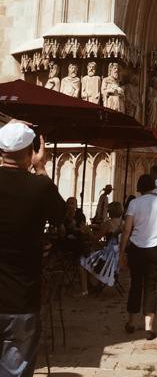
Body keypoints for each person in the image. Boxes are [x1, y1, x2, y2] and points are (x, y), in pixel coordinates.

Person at [0, 120, 66, 376]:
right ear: (31, 151)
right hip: (21, 298)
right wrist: (40, 168)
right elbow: (62, 215)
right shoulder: (39, 187)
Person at [119, 173, 157, 339]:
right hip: (154, 249)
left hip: (136, 249)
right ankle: (148, 327)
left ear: (139, 188)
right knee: (151, 286)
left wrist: (122, 251)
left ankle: (131, 322)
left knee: (136, 284)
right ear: (153, 186)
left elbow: (126, 230)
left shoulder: (133, 203)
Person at [81, 201, 123, 288]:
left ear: (110, 211)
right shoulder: (123, 223)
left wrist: (87, 231)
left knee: (83, 259)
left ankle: (86, 288)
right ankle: (97, 281)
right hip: (118, 256)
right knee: (95, 250)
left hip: (108, 257)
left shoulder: (108, 223)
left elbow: (96, 238)